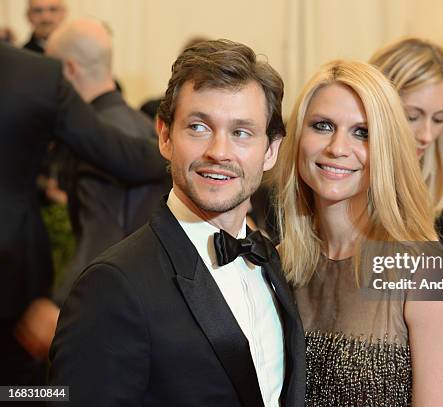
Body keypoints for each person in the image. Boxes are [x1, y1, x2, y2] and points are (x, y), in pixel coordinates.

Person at [50, 39, 305, 406]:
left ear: (270, 151)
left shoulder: (274, 263)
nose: (219, 152)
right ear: (166, 137)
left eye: (241, 132)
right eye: (199, 127)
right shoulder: (113, 284)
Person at [274, 60, 443, 406]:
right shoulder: (278, 263)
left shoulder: (423, 269)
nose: (337, 147)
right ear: (298, 137)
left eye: (362, 132)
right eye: (322, 126)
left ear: (387, 147)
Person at [0, 42, 165, 386]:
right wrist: (183, 152)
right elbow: (118, 155)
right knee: (16, 391)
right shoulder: (35, 74)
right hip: (12, 275)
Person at [45, 18, 170, 305]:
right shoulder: (140, 124)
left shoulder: (96, 143)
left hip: (109, 299)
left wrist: (59, 306)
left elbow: (101, 236)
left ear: (69, 70)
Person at [369, 37, 443, 215]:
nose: (426, 136)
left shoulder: (441, 197)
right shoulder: (344, 180)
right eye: (412, 117)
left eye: (439, 119)